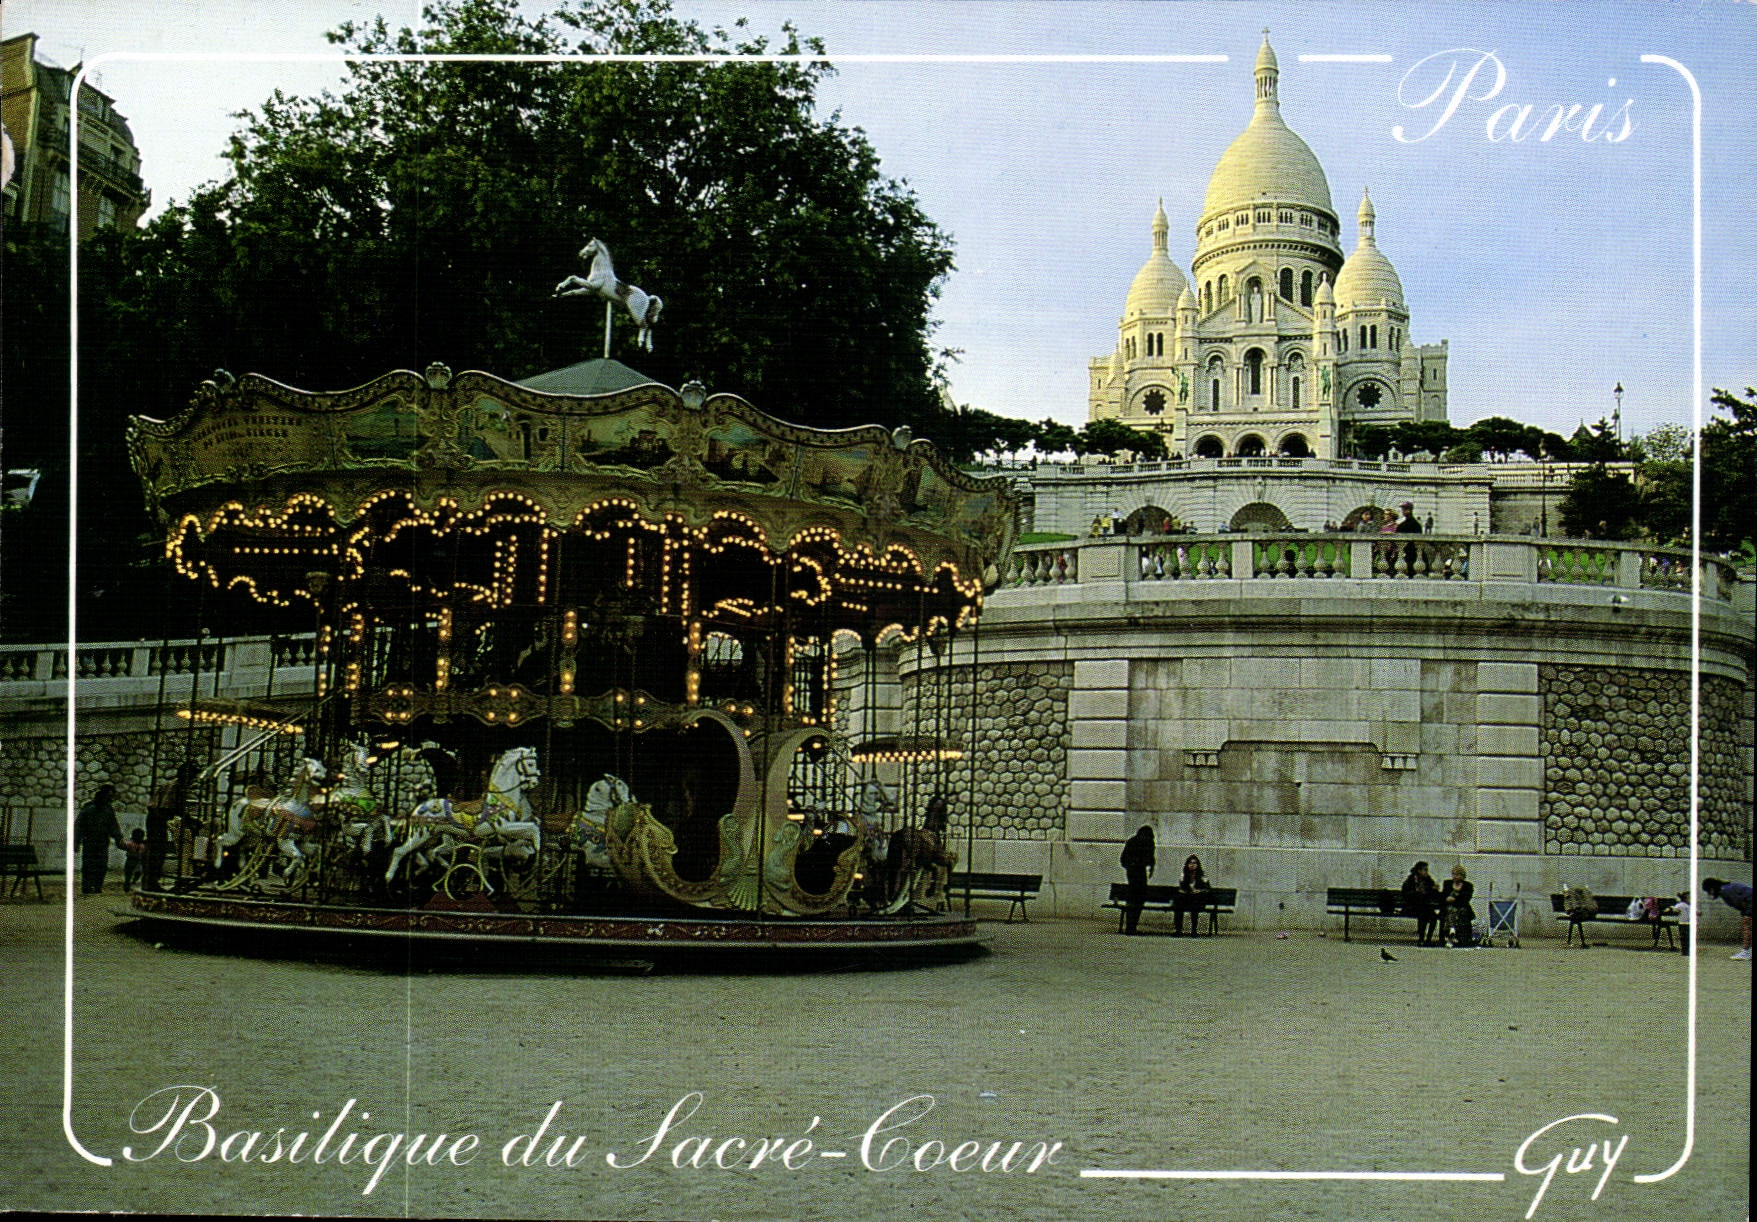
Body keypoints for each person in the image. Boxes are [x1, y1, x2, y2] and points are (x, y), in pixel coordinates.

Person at [145, 762, 196, 892]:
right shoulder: (174, 787)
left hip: (159, 818)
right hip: (156, 819)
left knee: (158, 851)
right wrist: (187, 820)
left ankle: (152, 882)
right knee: (157, 851)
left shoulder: (177, 787)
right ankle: (151, 882)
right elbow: (165, 808)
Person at [74, 783, 125, 896]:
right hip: (90, 842)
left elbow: (113, 827)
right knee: (89, 865)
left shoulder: (108, 810)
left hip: (101, 843)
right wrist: (76, 842)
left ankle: (97, 887)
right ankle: (87, 888)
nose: (110, 799)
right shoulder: (89, 808)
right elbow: (78, 826)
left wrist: (119, 839)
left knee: (100, 865)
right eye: (109, 796)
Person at [1701, 877, 1752, 960]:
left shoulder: (1725, 891)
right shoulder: (1727, 887)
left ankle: (1746, 952)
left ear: (1712, 888)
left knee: (1746, 926)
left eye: (1709, 891)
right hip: (1749, 901)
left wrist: (1746, 915)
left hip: (1750, 901)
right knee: (1747, 925)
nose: (1710, 894)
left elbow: (1741, 902)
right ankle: (1747, 951)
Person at [1119, 826, 1155, 935]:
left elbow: (1123, 859)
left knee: (1132, 901)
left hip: (1133, 873)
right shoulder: (1148, 843)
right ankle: (1132, 925)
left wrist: (1130, 866)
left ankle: (1130, 926)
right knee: (1138, 901)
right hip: (1139, 873)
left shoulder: (1132, 841)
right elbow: (1150, 859)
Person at [1400, 860, 1441, 946]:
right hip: (1412, 907)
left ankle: (1428, 939)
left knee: (1433, 917)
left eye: (1427, 870)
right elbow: (1406, 894)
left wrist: (1434, 889)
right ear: (1419, 870)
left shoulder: (1428, 880)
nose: (1426, 872)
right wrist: (1415, 892)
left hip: (1425, 907)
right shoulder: (1411, 880)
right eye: (1425, 870)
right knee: (1423, 916)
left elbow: (1432, 895)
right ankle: (1421, 939)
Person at [1172, 854, 1211, 936]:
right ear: (1187, 864)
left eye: (1194, 863)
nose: (1192, 865)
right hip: (1186, 898)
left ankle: (1194, 930)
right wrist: (1187, 891)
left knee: (1195, 903)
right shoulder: (1184, 875)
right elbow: (1182, 886)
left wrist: (1199, 891)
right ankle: (1178, 930)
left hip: (1197, 899)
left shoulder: (1202, 875)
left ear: (1197, 865)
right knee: (1178, 903)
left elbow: (1207, 888)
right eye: (1190, 863)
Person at [1438, 864, 1475, 947]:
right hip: (1449, 908)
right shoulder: (1447, 883)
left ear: (1463, 876)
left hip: (1462, 908)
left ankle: (1451, 932)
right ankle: (1452, 931)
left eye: (1458, 874)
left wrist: (1454, 900)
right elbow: (1443, 896)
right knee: (1451, 910)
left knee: (1456, 911)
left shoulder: (1468, 886)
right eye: (1454, 874)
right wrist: (1447, 899)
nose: (1455, 876)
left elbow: (1466, 899)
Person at [1674, 889, 1692, 957]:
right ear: (1685, 898)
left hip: (1686, 923)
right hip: (1684, 923)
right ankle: (1685, 951)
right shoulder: (1682, 905)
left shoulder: (1689, 905)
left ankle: (1686, 951)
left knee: (1686, 938)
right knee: (1685, 937)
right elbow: (1675, 909)